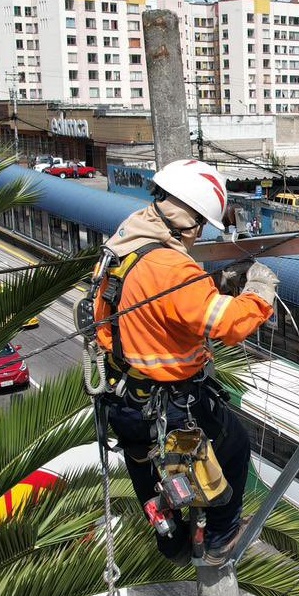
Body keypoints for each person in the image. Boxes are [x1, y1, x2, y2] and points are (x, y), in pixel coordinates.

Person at [92, 159, 278, 567]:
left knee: (146, 473)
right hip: (173, 403)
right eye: (200, 227)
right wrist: (260, 293)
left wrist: (210, 288)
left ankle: (172, 544)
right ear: (189, 220)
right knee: (234, 448)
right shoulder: (173, 266)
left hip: (126, 398)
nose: (199, 236)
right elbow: (228, 324)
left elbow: (160, 307)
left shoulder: (126, 240)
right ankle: (221, 538)